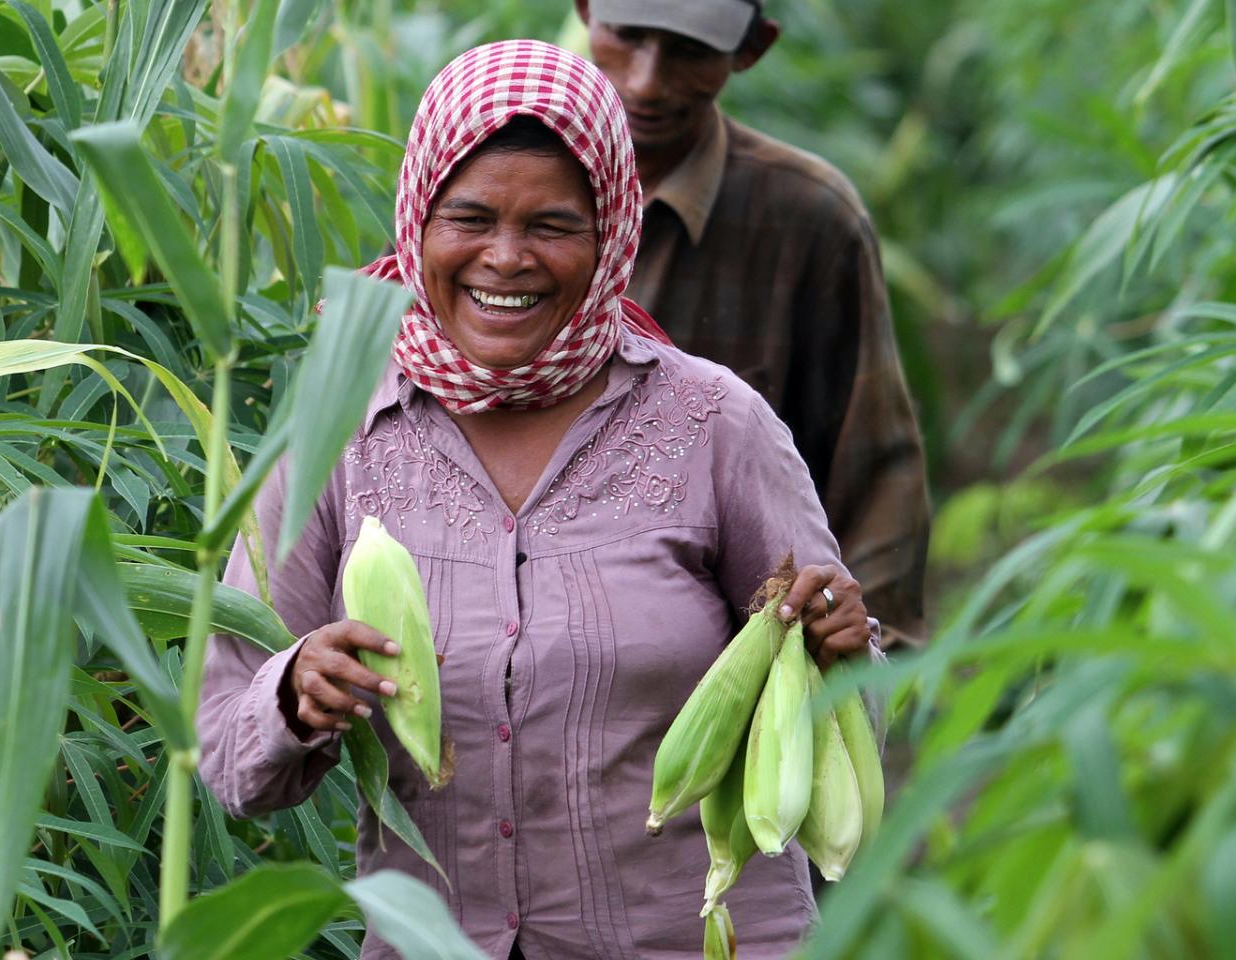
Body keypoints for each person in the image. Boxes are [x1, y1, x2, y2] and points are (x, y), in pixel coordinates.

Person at [197, 40, 875, 960]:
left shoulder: (716, 425)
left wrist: (840, 651)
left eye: (553, 226)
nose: (505, 259)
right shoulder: (339, 438)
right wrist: (295, 691)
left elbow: (849, 711)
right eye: (469, 218)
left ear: (612, 235)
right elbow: (229, 762)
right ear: (416, 223)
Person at [576, 0, 931, 645]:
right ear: (584, 11)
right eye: (627, 35)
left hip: (745, 664)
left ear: (752, 48)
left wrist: (861, 675)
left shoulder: (806, 219)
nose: (647, 80)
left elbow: (875, 470)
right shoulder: (498, 190)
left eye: (689, 50)